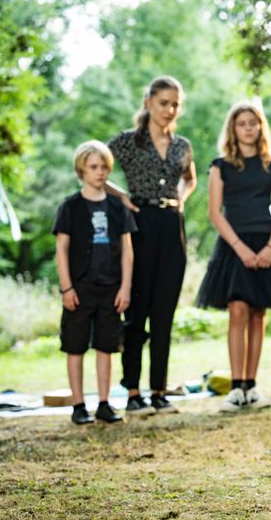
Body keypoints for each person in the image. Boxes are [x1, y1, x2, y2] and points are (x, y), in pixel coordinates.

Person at [197, 102, 271, 412]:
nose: (247, 127)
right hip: (233, 244)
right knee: (238, 310)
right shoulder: (220, 166)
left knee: (258, 313)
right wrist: (240, 248)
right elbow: (214, 212)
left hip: (265, 242)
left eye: (253, 123)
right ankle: (235, 388)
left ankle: (252, 386)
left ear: (260, 128)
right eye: (241, 123)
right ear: (233, 128)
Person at [107, 75, 197, 416]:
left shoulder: (181, 145)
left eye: (175, 104)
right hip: (139, 223)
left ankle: (158, 390)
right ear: (148, 102)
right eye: (163, 103)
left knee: (164, 313)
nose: (169, 109)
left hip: (173, 226)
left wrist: (182, 198)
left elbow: (191, 178)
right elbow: (92, 165)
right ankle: (132, 392)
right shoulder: (128, 142)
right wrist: (122, 197)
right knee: (137, 312)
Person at [53, 140, 136, 425]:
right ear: (81, 170)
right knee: (75, 347)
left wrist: (125, 287)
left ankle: (104, 403)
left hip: (110, 288)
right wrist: (67, 287)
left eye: (104, 167)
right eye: (93, 167)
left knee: (107, 346)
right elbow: (61, 250)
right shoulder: (70, 207)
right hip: (79, 288)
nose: (100, 172)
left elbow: (127, 251)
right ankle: (78, 405)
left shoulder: (117, 207)